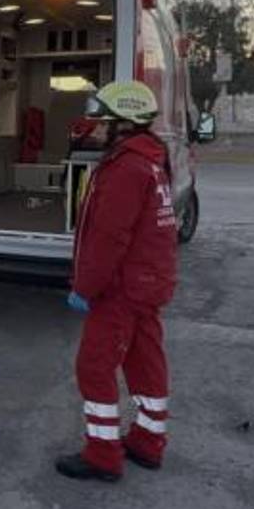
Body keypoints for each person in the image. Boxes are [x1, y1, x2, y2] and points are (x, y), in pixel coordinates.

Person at [55, 80, 178, 482]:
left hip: (122, 288)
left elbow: (109, 238)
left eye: (103, 121)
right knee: (145, 361)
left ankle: (102, 453)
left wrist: (85, 288)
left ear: (122, 124)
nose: (96, 128)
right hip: (148, 283)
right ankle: (148, 439)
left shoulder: (125, 168)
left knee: (94, 366)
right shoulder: (150, 160)